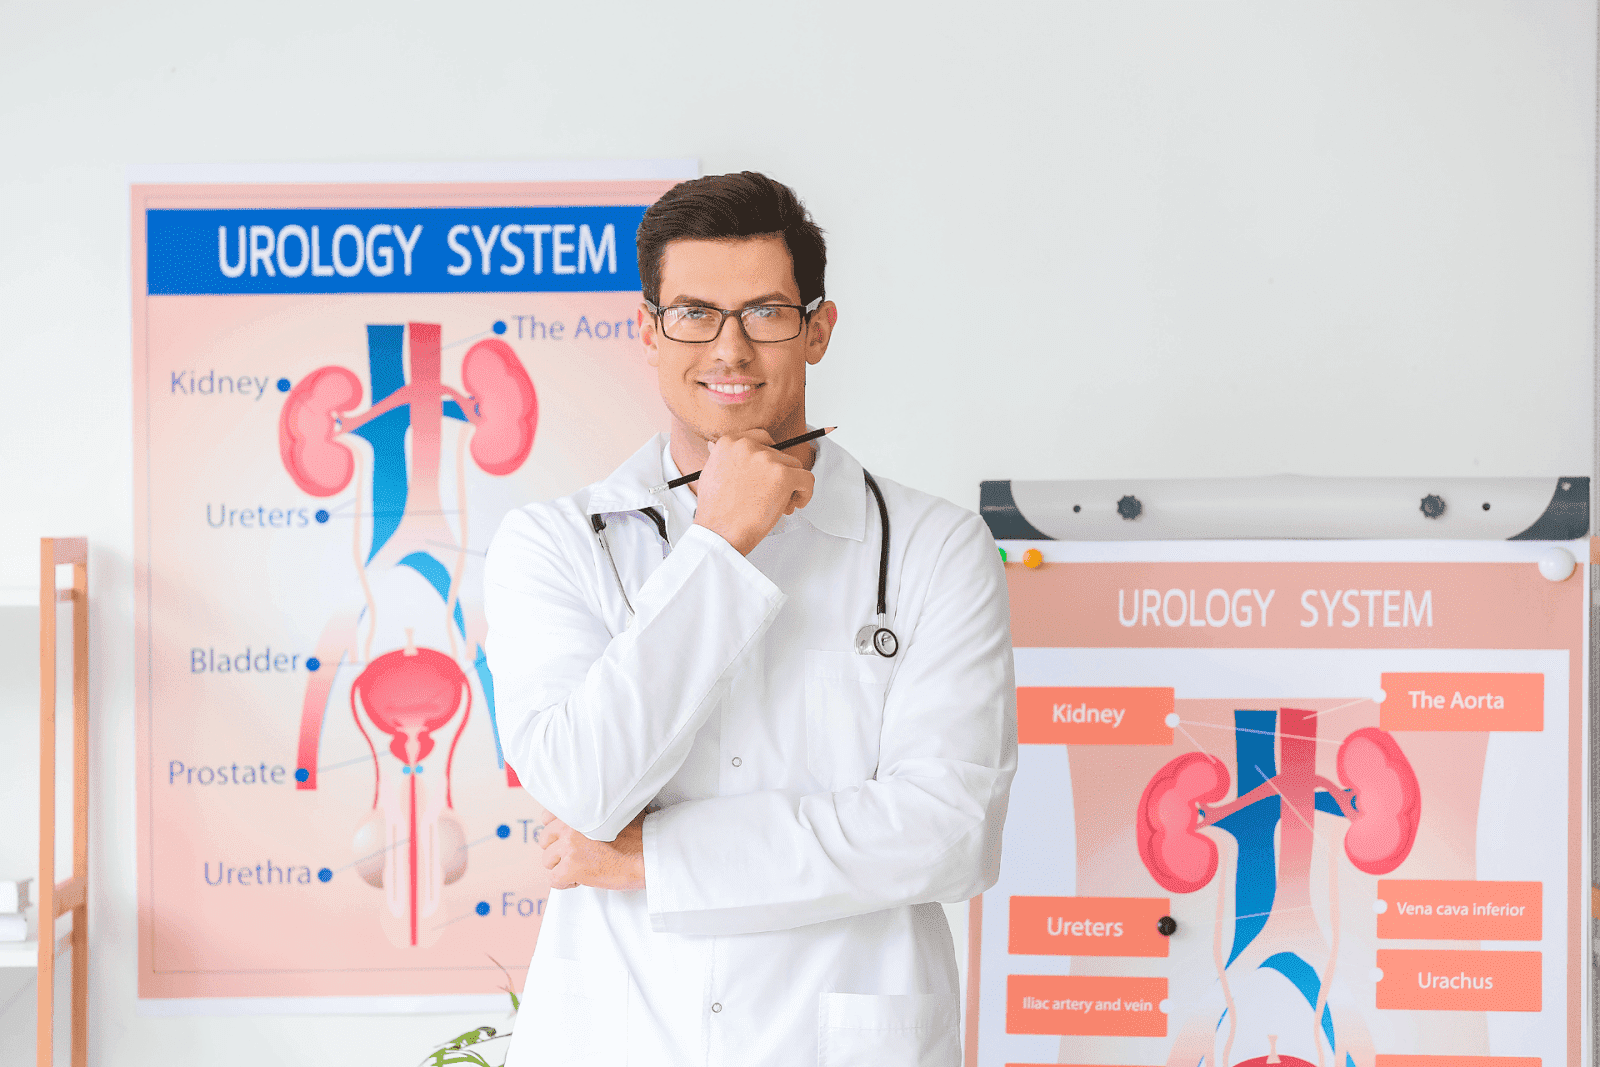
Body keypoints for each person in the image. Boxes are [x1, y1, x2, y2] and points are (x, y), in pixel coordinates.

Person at [483, 171, 1016, 1067]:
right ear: (647, 329)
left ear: (818, 327)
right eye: (694, 313)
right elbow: (581, 785)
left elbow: (950, 833)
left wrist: (648, 856)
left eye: (764, 312)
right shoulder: (555, 542)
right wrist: (722, 540)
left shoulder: (933, 548)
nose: (729, 349)